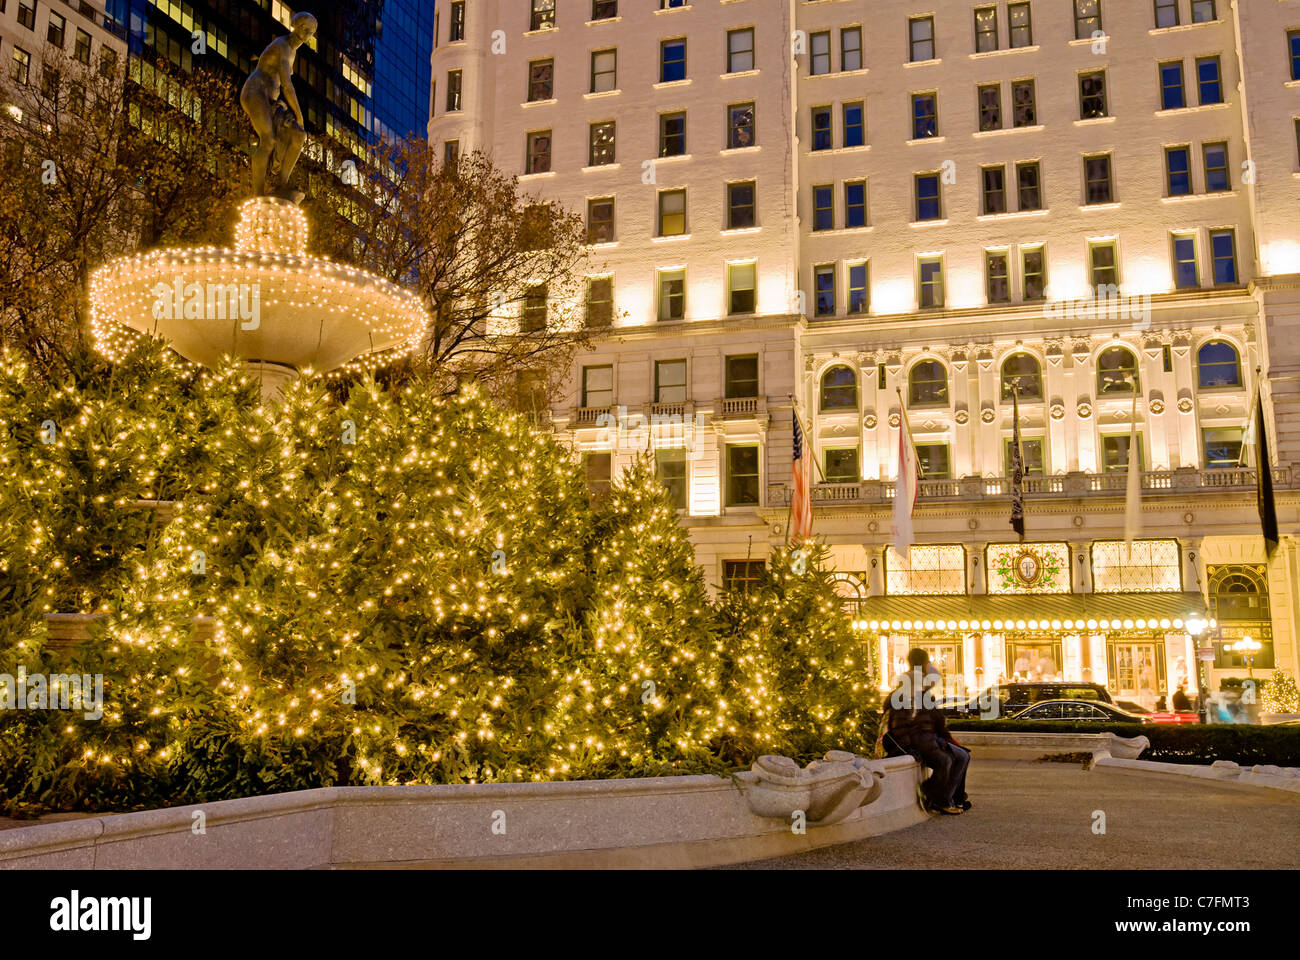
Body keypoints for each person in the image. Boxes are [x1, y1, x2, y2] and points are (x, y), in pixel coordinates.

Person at [241, 11, 318, 200]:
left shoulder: (292, 52)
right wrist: (299, 116)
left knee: (299, 135)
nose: (307, 34)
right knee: (268, 139)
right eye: (304, 28)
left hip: (272, 101)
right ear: (295, 26)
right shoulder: (282, 46)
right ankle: (257, 195)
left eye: (311, 31)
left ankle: (282, 183)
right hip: (255, 92)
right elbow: (287, 85)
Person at [885, 649, 971, 815]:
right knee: (945, 760)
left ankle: (951, 797)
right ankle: (936, 796)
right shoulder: (905, 692)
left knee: (962, 755)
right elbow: (900, 726)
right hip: (919, 742)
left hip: (929, 739)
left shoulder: (923, 691)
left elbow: (937, 720)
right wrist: (907, 748)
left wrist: (948, 739)